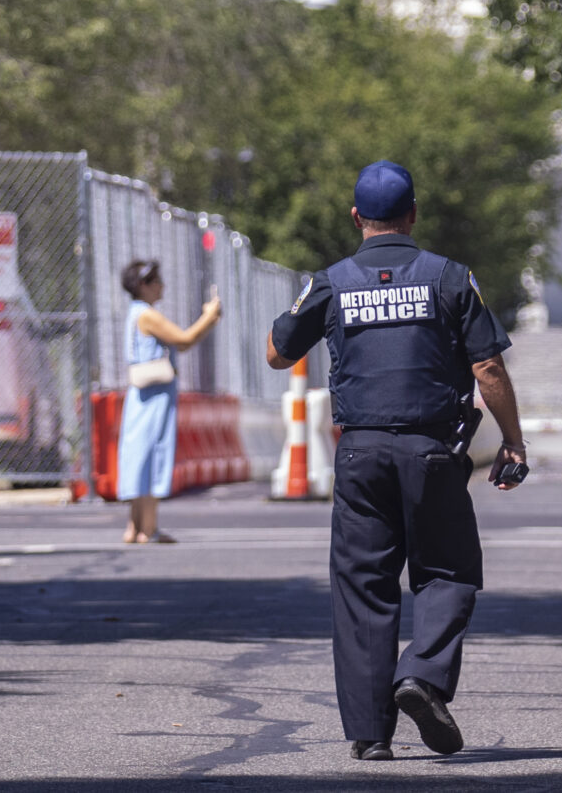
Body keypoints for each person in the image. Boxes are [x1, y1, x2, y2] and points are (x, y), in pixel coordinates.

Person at [267, 161, 528, 762]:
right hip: (432, 451)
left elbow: (278, 354)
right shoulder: (450, 277)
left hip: (360, 453)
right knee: (450, 572)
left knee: (363, 587)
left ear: (356, 217)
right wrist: (513, 440)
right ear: (414, 214)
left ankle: (369, 732)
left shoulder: (331, 281)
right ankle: (422, 677)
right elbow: (487, 367)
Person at [117, 259, 222, 544]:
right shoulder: (147, 315)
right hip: (154, 395)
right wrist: (210, 317)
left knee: (138, 455)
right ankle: (147, 528)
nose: (162, 286)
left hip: (142, 395)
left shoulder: (135, 313)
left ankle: (135, 526)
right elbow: (184, 339)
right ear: (143, 286)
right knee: (152, 454)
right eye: (156, 281)